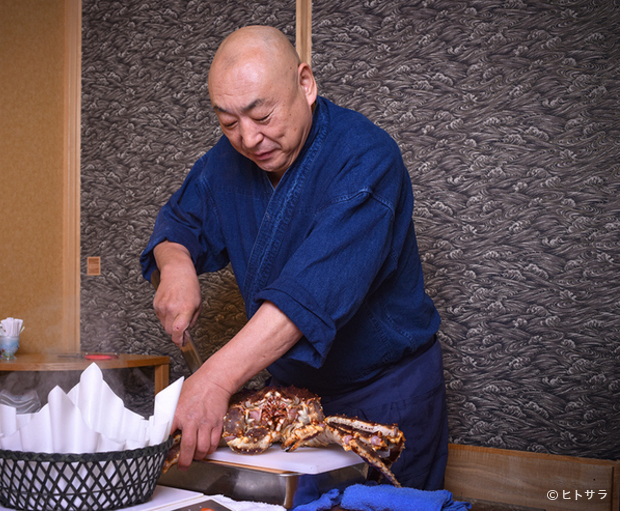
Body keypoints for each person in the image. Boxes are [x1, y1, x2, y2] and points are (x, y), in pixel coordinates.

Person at [140, 25, 448, 490]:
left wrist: (214, 380)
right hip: (293, 405)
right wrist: (176, 265)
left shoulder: (367, 157)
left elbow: (311, 294)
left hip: (387, 395)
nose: (247, 138)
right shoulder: (227, 161)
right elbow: (178, 223)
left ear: (305, 84)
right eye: (228, 122)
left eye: (262, 115)